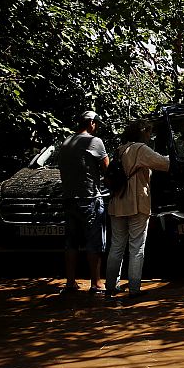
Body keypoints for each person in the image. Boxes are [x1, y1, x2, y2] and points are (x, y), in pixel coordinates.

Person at [105, 119, 170, 300]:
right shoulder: (140, 149)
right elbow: (164, 164)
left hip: (117, 202)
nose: (150, 136)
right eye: (148, 133)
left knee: (116, 246)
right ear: (143, 133)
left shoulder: (120, 150)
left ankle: (110, 286)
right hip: (137, 202)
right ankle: (134, 289)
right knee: (136, 247)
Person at [58, 110, 109, 294]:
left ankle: (70, 282)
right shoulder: (94, 142)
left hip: (69, 199)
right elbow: (107, 171)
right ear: (91, 123)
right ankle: (96, 283)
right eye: (96, 124)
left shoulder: (65, 142)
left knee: (71, 243)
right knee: (94, 242)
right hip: (89, 199)